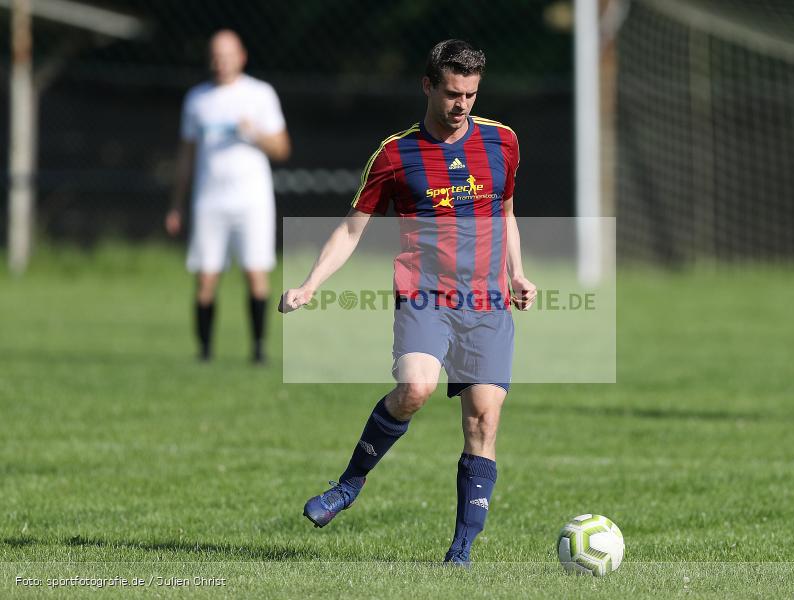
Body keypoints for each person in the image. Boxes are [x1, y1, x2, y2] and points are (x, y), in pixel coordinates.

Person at [279, 39, 537, 565]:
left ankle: (460, 553)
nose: (461, 104)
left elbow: (505, 211)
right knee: (415, 387)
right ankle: (350, 483)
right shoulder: (395, 155)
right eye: (451, 92)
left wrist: (517, 273)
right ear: (427, 85)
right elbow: (351, 231)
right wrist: (310, 284)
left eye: (470, 93)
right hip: (425, 296)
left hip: (486, 302)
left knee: (483, 418)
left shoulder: (502, 142)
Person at [166, 29, 291, 363]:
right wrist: (176, 204)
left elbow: (282, 148)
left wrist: (255, 134)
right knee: (206, 276)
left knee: (255, 273)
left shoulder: (260, 94)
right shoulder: (197, 99)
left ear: (241, 57)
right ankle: (204, 351)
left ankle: (258, 348)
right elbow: (187, 155)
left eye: (227, 56)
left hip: (252, 201)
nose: (220, 63)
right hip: (209, 201)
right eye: (215, 56)